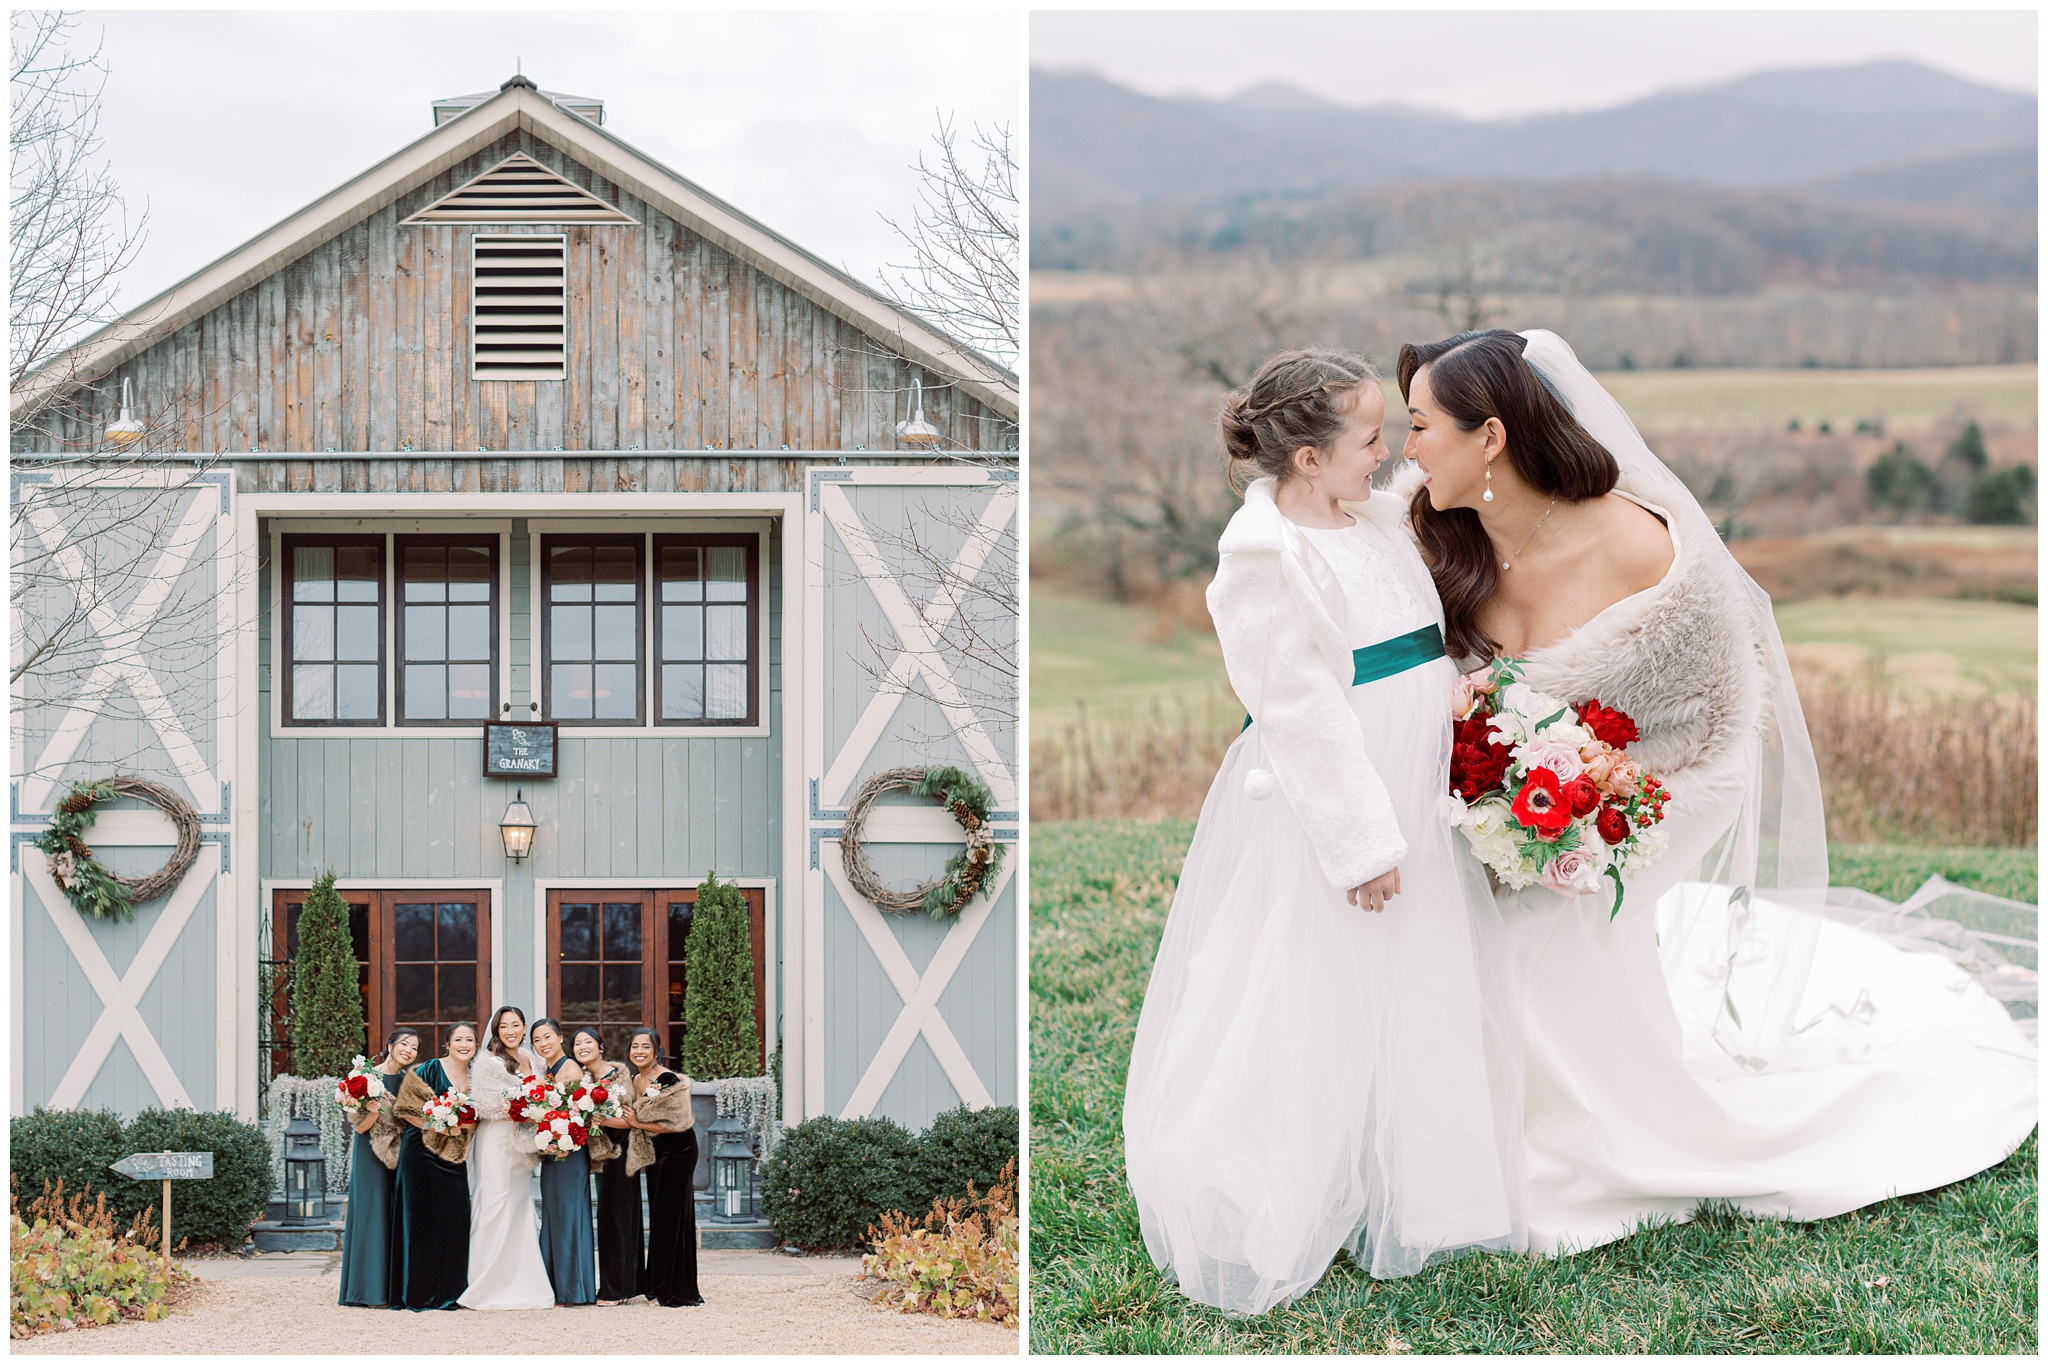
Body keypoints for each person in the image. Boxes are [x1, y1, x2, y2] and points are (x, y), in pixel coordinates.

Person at [1399, 327, 2037, 1256]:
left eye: (1420, 426)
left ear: (1489, 435)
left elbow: (1712, 728)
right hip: (1505, 792)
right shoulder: (1425, 526)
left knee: (1542, 921)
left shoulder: (1638, 546)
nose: (1405, 451)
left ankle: (1573, 1140)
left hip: (1660, 790)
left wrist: (1592, 815)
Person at [1121, 348, 1527, 1316]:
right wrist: (1359, 843)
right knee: (1320, 978)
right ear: (1304, 458)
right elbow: (1295, 708)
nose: (1389, 454)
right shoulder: (1264, 559)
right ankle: (1283, 1183)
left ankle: (1422, 1185)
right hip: (1348, 786)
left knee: (1419, 972)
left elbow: (1414, 636)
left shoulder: (1376, 520)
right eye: (1368, 439)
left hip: (1416, 764)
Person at [457, 1005, 556, 1311]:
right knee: (494, 1201)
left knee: (519, 1204)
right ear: (496, 1031)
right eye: (504, 1027)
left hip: (522, 1143)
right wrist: (517, 1106)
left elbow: (545, 1095)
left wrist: (538, 1109)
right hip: (496, 1140)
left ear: (524, 1027)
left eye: (515, 1025)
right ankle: (484, 1282)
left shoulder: (531, 1059)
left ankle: (523, 1281)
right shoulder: (487, 1061)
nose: (510, 1031)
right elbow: (483, 1103)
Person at [390, 1023, 475, 1311]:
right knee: (421, 1221)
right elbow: (405, 1108)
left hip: (454, 1157)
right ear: (447, 1043)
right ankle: (417, 1293)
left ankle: (449, 1292)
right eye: (458, 1039)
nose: (464, 1044)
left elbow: (477, 1119)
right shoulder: (427, 1069)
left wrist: (460, 1125)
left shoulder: (477, 1077)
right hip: (421, 1153)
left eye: (470, 1040)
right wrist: (437, 1124)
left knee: (455, 1219)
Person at [623, 1028, 703, 1307]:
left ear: (656, 1051)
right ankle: (656, 1284)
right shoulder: (634, 1079)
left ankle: (674, 1289)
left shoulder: (668, 1079)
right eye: (635, 1046)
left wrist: (637, 1124)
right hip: (655, 1151)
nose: (639, 1051)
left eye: (646, 1046)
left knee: (671, 1217)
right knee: (658, 1215)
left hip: (679, 1149)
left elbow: (676, 1123)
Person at [338, 1028, 417, 1307]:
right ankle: (368, 1290)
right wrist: (373, 1110)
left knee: (397, 1216)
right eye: (404, 1044)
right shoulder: (366, 1077)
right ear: (391, 1045)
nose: (408, 1050)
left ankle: (396, 1290)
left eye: (415, 1048)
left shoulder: (412, 1081)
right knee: (373, 1213)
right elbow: (359, 1127)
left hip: (403, 1154)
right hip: (370, 1154)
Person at [530, 1018, 596, 1306]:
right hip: (553, 1150)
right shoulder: (547, 1070)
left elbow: (575, 1114)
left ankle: (573, 1288)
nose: (543, 1043)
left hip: (568, 1151)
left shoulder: (569, 1068)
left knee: (569, 1215)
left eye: (547, 1037)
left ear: (559, 1037)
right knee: (555, 1214)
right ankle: (556, 1284)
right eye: (536, 1040)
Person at [576, 1028, 642, 1304]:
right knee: (608, 1217)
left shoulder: (620, 1076)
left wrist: (599, 1119)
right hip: (594, 1154)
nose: (582, 1047)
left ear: (600, 1047)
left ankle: (618, 1289)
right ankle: (627, 1284)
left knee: (617, 1218)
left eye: (588, 1042)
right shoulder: (579, 1081)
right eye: (577, 1043)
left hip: (620, 1152)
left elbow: (630, 1119)